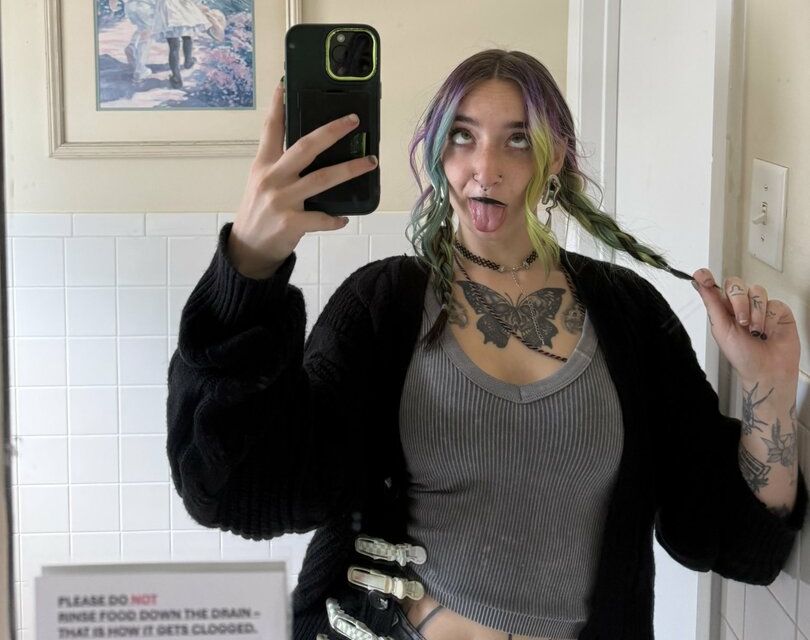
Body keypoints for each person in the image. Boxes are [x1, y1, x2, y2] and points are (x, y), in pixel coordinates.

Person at [167, 49, 805, 640]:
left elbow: (733, 543)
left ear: (555, 157)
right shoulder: (381, 304)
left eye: (518, 139)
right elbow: (236, 490)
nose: (486, 168)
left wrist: (768, 390)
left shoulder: (630, 314)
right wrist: (249, 267)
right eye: (463, 136)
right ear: (438, 153)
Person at [156, 0, 217, 88]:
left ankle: (176, 78)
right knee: (187, 36)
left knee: (173, 46)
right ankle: (188, 61)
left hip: (169, 13)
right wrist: (197, 2)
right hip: (184, 11)